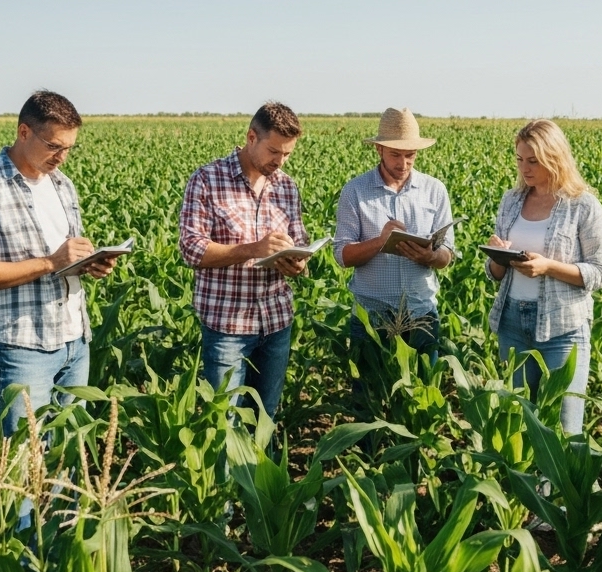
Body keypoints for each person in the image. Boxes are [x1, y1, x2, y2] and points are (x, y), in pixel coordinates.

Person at [0, 90, 120, 436]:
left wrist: (89, 264)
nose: (62, 157)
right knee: (25, 462)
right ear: (24, 132)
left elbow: (62, 263)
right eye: (54, 146)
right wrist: (49, 262)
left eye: (69, 148)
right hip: (24, 344)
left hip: (75, 339)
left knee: (71, 457)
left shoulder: (62, 185)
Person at [179, 101, 309, 420]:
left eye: (288, 154)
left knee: (265, 420)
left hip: (276, 321)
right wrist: (253, 249)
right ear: (252, 137)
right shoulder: (207, 180)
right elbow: (192, 249)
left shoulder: (286, 188)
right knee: (223, 422)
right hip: (227, 326)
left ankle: (256, 471)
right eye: (274, 151)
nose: (280, 161)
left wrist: (297, 262)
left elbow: (300, 242)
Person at [485, 119, 602, 435]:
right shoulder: (511, 201)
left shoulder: (583, 206)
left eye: (533, 161)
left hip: (563, 329)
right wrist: (498, 255)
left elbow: (599, 272)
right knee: (517, 428)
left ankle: (557, 488)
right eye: (520, 160)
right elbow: (495, 275)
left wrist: (548, 267)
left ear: (554, 158)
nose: (524, 168)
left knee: (565, 431)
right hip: (512, 323)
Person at [334, 108, 456, 410]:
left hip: (421, 313)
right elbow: (342, 255)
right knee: (369, 405)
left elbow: (448, 255)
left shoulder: (434, 191)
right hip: (372, 317)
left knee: (422, 405)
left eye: (410, 155)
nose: (403, 163)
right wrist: (380, 241)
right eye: (395, 155)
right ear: (378, 149)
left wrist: (430, 255)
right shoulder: (355, 192)